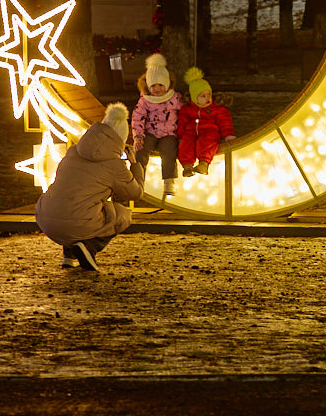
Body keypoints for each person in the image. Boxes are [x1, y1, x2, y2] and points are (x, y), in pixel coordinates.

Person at [34, 102, 143, 272]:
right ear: (120, 140)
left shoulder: (73, 151)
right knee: (123, 215)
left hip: (44, 217)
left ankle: (69, 256)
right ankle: (89, 247)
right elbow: (136, 193)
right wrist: (135, 165)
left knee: (75, 203)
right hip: (76, 222)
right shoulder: (114, 165)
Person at [130, 53, 183, 197]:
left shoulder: (175, 98)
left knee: (169, 152)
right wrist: (138, 136)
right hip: (150, 133)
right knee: (140, 151)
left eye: (161, 85)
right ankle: (137, 180)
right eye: (153, 86)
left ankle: (169, 181)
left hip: (168, 134)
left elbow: (184, 113)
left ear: (167, 84)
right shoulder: (145, 100)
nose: (157, 89)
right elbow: (137, 117)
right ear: (148, 86)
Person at [177, 66, 236, 176]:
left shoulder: (216, 108)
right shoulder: (187, 109)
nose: (208, 98)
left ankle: (204, 164)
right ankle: (187, 166)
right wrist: (180, 136)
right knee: (186, 143)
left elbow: (225, 121)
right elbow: (182, 122)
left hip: (210, 131)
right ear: (195, 98)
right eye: (203, 96)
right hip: (191, 132)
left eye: (209, 94)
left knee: (206, 142)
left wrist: (228, 135)